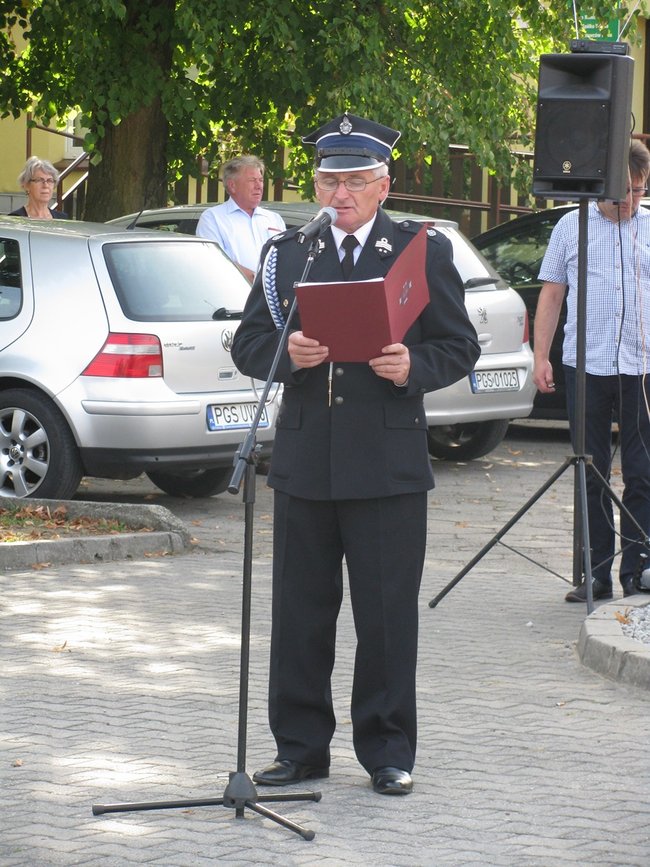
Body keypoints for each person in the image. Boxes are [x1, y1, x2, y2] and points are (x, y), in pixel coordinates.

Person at [231, 112, 480, 795]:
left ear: (383, 185)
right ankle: (300, 747)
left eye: (355, 181)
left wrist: (413, 367)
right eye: (328, 181)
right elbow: (248, 344)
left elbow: (460, 345)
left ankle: (388, 750)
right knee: (299, 616)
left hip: (387, 466)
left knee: (386, 617)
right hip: (307, 462)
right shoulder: (290, 254)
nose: (339, 194)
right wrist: (289, 354)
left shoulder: (418, 251)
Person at [533, 139, 650, 603]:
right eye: (622, 193)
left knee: (642, 472)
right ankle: (596, 573)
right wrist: (540, 356)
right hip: (587, 365)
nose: (630, 202)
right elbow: (551, 295)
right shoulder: (571, 226)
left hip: (642, 368)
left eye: (639, 191)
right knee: (592, 470)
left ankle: (637, 568)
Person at [196, 155, 286, 282]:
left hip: (273, 293)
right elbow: (215, 262)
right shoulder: (213, 218)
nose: (258, 186)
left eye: (260, 180)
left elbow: (287, 259)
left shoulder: (274, 219)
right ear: (232, 185)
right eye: (252, 180)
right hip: (233, 292)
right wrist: (259, 282)